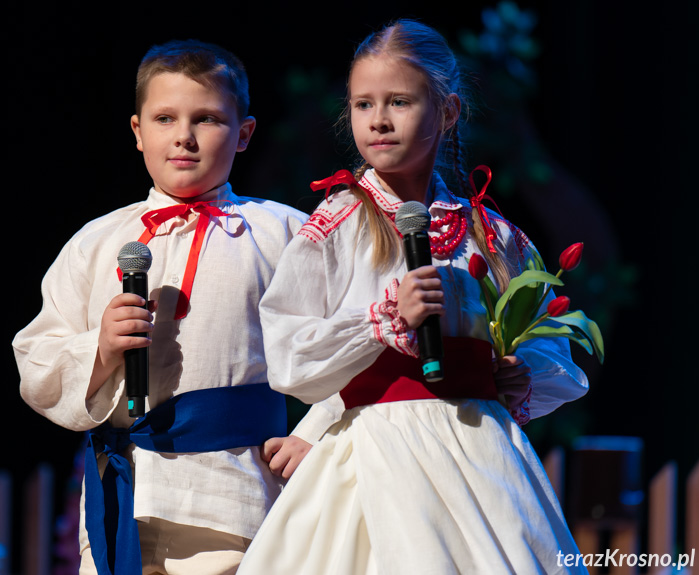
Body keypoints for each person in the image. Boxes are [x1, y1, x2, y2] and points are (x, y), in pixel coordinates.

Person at [236, 19, 589, 575]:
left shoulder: (490, 234)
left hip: (478, 452)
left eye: (398, 101)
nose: (378, 120)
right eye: (362, 104)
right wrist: (380, 322)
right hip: (377, 453)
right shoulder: (339, 224)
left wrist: (516, 373)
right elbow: (287, 347)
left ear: (447, 112)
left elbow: (550, 349)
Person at [13, 39, 323, 575]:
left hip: (235, 502)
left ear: (244, 133)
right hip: (122, 501)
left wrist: (312, 433)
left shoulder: (286, 234)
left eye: (206, 118)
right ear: (137, 132)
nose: (183, 135)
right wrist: (101, 347)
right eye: (164, 118)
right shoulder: (99, 240)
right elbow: (37, 359)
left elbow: (352, 344)